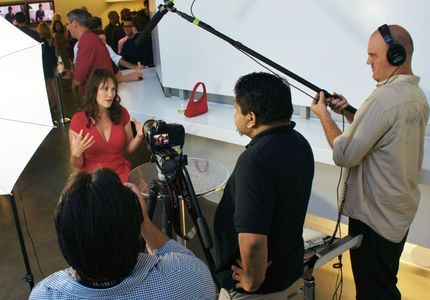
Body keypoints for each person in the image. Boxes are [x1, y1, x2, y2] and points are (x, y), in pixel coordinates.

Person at [311, 24, 429, 300]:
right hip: (396, 213)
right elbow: (384, 133)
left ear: (396, 56)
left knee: (374, 291)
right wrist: (352, 113)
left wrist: (324, 116)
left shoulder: (384, 97)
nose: (368, 61)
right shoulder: (415, 96)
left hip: (374, 219)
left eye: (373, 55)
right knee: (384, 282)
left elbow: (343, 154)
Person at [29, 168, 216, 299]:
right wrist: (146, 224)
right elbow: (190, 261)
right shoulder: (188, 277)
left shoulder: (45, 294)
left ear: (65, 242)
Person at [214, 72, 314, 299]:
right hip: (286, 270)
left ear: (251, 118)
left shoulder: (254, 162)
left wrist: (252, 280)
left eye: (236, 108)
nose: (234, 115)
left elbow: (254, 242)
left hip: (258, 290)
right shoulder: (299, 142)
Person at [68, 68, 144, 182]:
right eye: (105, 89)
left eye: (113, 89)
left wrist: (139, 136)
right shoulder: (78, 121)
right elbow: (78, 164)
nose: (110, 94)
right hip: (91, 179)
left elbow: (127, 149)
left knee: (136, 195)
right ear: (94, 91)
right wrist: (75, 154)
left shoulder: (122, 113)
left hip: (119, 174)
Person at [63, 8, 113, 93]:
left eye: (68, 24)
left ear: (75, 23)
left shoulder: (86, 42)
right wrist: (72, 75)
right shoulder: (91, 38)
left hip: (98, 95)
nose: (67, 28)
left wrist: (74, 77)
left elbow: (78, 80)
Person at [36, 22, 57, 116]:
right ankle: (56, 102)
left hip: (44, 63)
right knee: (53, 84)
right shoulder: (52, 39)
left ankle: (53, 103)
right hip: (53, 62)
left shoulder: (41, 40)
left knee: (48, 85)